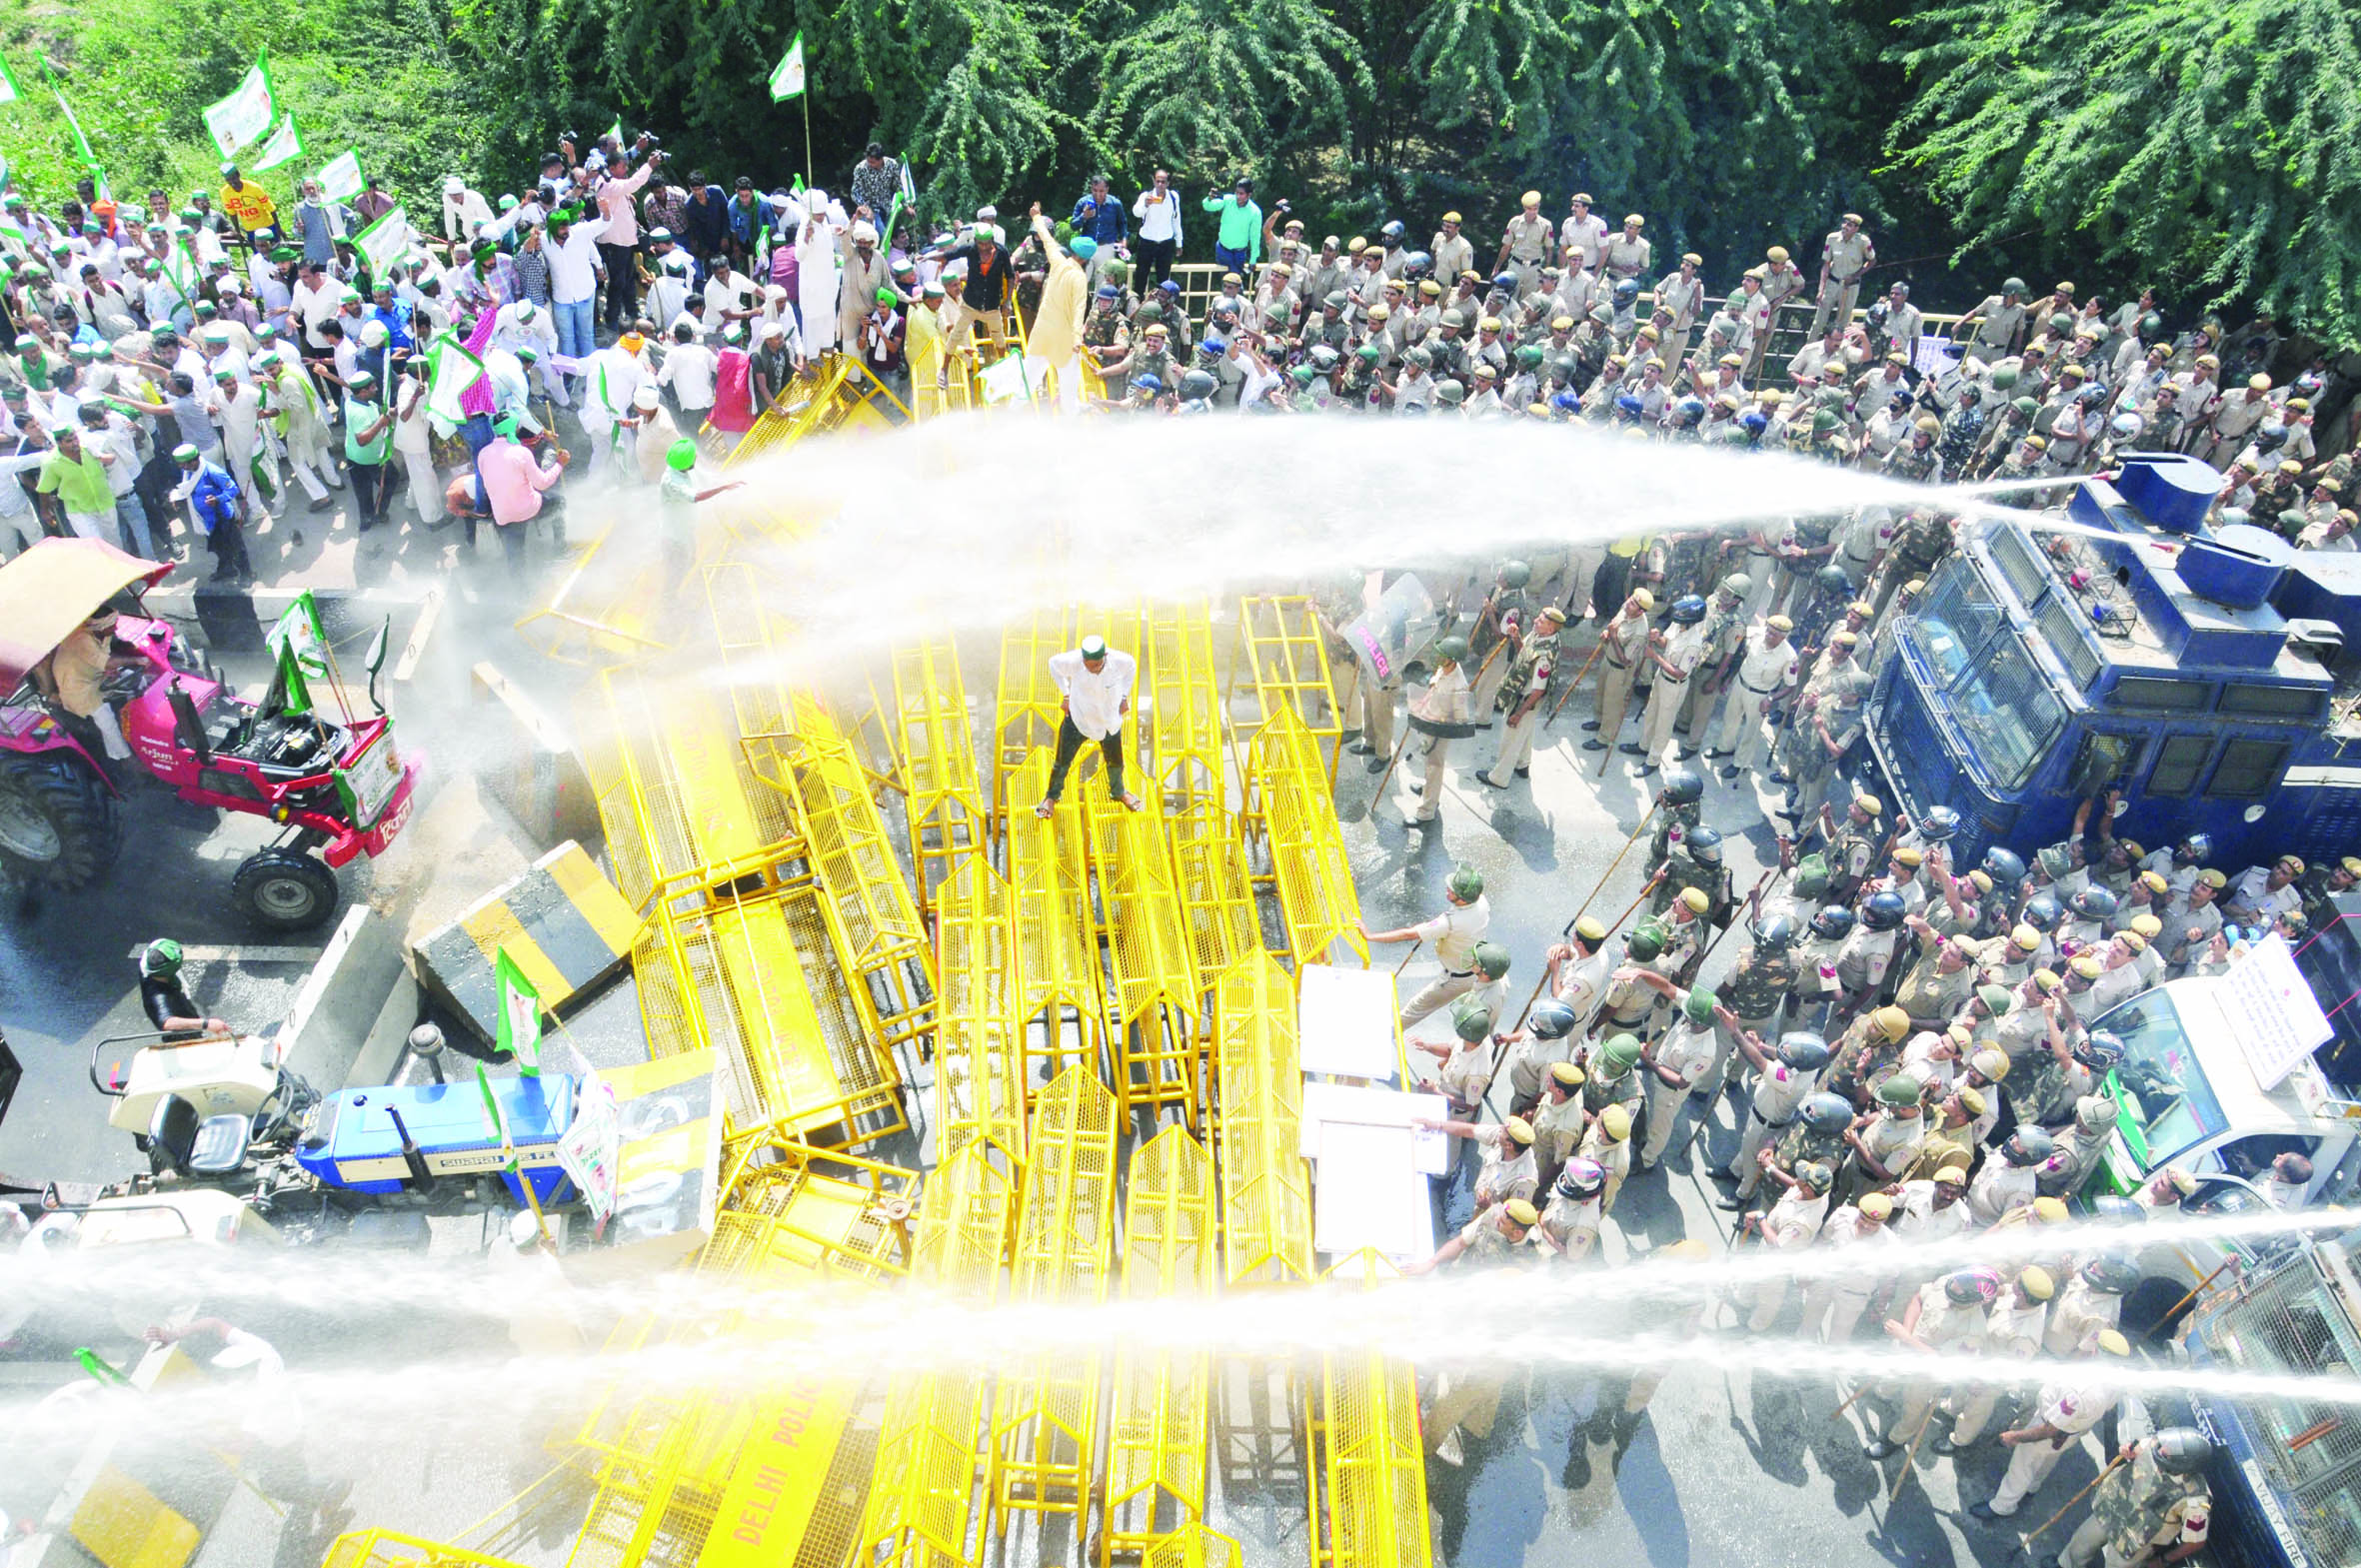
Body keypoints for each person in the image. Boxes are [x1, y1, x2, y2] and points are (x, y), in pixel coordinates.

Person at [2058, 1427, 2214, 1568]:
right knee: (2080, 1545)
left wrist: (2163, 1561)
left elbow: (2195, 1542)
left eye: (2168, 1452)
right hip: (2112, 1510)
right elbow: (2135, 1449)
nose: (2161, 1449)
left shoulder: (2195, 1502)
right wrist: (2127, 1451)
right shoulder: (2155, 1445)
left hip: (2136, 1541)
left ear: (2182, 1463)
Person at [1359, 863, 1489, 1032]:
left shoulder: (1449, 922)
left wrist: (1370, 936)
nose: (1447, 890)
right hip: (1475, 968)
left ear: (1463, 899)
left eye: (1452, 890)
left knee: (1416, 1007)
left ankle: (1385, 1034)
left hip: (1455, 978)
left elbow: (1408, 934)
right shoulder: (1481, 902)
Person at [1037, 634, 1144, 815]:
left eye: (1094, 665)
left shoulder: (1118, 661)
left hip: (1108, 721)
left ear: (1104, 657)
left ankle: (1119, 792)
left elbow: (1132, 666)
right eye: (1086, 664)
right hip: (1079, 719)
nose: (1090, 668)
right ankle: (1051, 797)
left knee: (1116, 761)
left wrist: (1125, 696)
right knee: (1062, 761)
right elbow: (1053, 663)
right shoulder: (1075, 661)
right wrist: (1066, 694)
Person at [477, 416, 566, 579]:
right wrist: (560, 463)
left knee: (515, 556)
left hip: (502, 514)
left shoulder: (483, 453)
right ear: (514, 429)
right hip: (528, 508)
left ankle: (521, 593)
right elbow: (543, 483)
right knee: (559, 501)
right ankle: (560, 544)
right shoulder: (521, 452)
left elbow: (485, 483)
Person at [1402, 635, 1471, 822]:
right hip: (1428, 721)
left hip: (1439, 730)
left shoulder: (1459, 686)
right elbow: (1434, 685)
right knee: (1428, 763)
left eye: (1443, 656)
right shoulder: (1444, 668)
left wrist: (1444, 717)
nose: (1438, 659)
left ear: (1453, 660)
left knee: (1435, 768)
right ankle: (1429, 792)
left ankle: (1426, 812)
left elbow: (1461, 717)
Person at [655, 438, 742, 580]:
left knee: (690, 562)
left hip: (685, 531)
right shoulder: (672, 482)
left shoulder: (681, 467)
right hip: (674, 537)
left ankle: (681, 589)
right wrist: (723, 488)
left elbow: (709, 478)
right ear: (686, 462)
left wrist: (728, 481)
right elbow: (695, 497)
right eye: (693, 456)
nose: (696, 457)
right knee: (676, 571)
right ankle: (669, 598)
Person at [171, 441, 252, 583]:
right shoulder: (188, 473)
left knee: (236, 547)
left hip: (222, 518)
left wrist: (218, 499)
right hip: (207, 521)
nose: (183, 468)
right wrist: (176, 497)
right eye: (180, 465)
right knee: (218, 548)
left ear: (194, 460)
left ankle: (246, 574)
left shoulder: (213, 472)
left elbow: (233, 489)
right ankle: (227, 569)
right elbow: (187, 489)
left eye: (185, 464)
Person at [139, 938, 230, 1040]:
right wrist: (206, 1024)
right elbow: (168, 1023)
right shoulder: (158, 996)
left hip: (176, 997)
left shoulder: (147, 964)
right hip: (181, 1036)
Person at [1132, 170, 1182, 290]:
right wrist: (1145, 204)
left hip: (1166, 243)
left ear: (1168, 183)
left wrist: (1179, 243)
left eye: (1163, 182)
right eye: (1158, 181)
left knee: (1164, 281)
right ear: (1154, 181)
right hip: (1147, 242)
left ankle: (1160, 307)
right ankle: (1138, 305)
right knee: (1140, 278)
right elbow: (1136, 213)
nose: (1160, 185)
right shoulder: (1146, 196)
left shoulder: (1173, 197)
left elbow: (1176, 220)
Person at [1201, 178, 1262, 274]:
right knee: (1227, 281)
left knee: (1234, 282)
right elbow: (1208, 206)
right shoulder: (1227, 199)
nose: (1238, 196)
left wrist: (1253, 259)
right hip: (1222, 249)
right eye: (1236, 192)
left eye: (1241, 194)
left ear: (1249, 195)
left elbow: (1255, 237)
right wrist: (1209, 199)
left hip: (1240, 253)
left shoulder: (1255, 212)